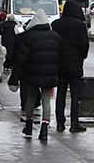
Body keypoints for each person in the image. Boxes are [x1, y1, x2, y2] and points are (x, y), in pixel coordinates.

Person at [10, 11, 63, 142]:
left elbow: (21, 59)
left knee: (31, 98)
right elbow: (60, 58)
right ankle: (44, 128)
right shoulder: (56, 37)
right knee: (46, 100)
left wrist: (14, 77)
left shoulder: (28, 37)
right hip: (50, 75)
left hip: (31, 74)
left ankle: (28, 126)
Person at [52, 0, 90, 133]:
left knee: (60, 94)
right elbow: (84, 44)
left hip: (59, 65)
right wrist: (82, 57)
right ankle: (74, 123)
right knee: (75, 95)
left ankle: (60, 123)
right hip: (75, 65)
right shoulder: (79, 25)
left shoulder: (55, 24)